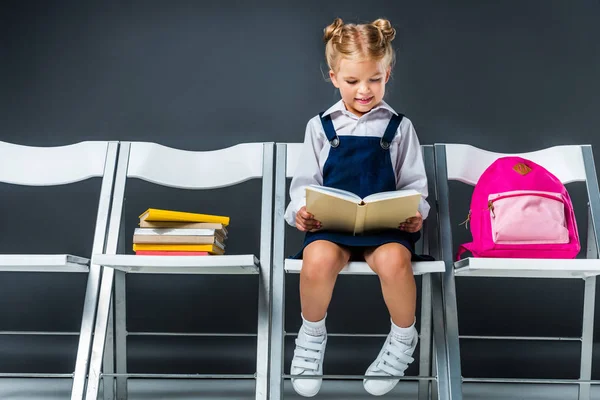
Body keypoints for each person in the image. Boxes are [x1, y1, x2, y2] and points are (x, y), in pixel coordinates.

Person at [283, 17, 431, 397]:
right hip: (333, 225)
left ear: (388, 73)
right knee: (316, 260)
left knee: (396, 263)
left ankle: (402, 339)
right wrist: (301, 210)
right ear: (334, 77)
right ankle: (311, 337)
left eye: (375, 80)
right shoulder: (320, 127)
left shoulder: (400, 127)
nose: (364, 90)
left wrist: (417, 215)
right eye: (352, 82)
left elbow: (414, 184)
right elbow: (303, 185)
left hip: (385, 227)